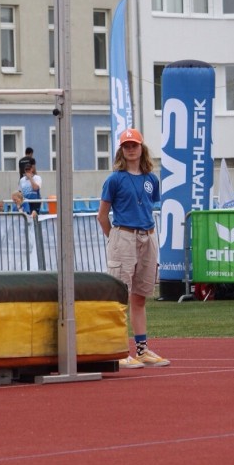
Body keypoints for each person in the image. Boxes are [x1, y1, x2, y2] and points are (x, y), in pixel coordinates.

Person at [96, 128, 168, 368]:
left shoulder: (150, 179)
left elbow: (148, 204)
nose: (130, 149)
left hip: (148, 235)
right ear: (121, 150)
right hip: (124, 234)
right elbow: (102, 215)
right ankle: (117, 349)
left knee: (140, 296)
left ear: (141, 148)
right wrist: (115, 238)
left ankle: (142, 349)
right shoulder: (115, 179)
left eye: (134, 145)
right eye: (126, 146)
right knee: (120, 296)